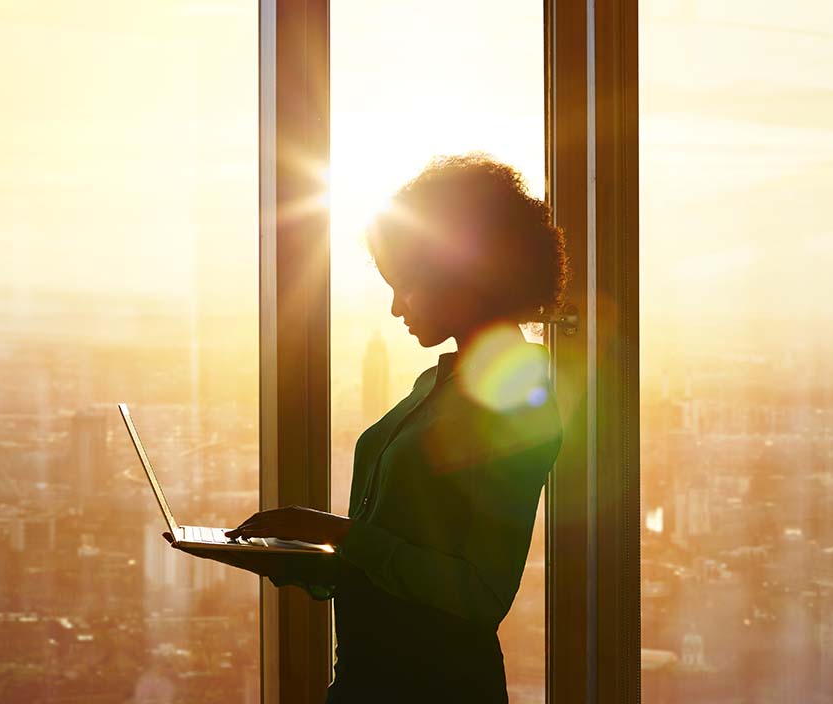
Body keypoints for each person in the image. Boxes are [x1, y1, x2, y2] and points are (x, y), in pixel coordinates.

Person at [188, 155, 568, 702]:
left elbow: (479, 593)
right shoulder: (437, 386)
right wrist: (294, 554)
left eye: (406, 285)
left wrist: (338, 533)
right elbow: (399, 549)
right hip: (370, 676)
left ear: (461, 273)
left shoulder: (514, 404)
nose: (395, 309)